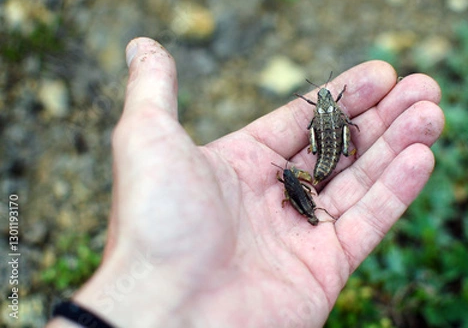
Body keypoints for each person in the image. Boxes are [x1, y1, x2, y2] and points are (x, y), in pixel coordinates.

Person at [47, 37, 444, 328]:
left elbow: (340, 126)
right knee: (339, 140)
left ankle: (325, 172)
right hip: (319, 152)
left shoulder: (333, 110)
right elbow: (316, 128)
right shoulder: (323, 114)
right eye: (321, 95)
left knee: (346, 134)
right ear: (322, 99)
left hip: (330, 144)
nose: (323, 97)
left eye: (326, 96)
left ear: (330, 98)